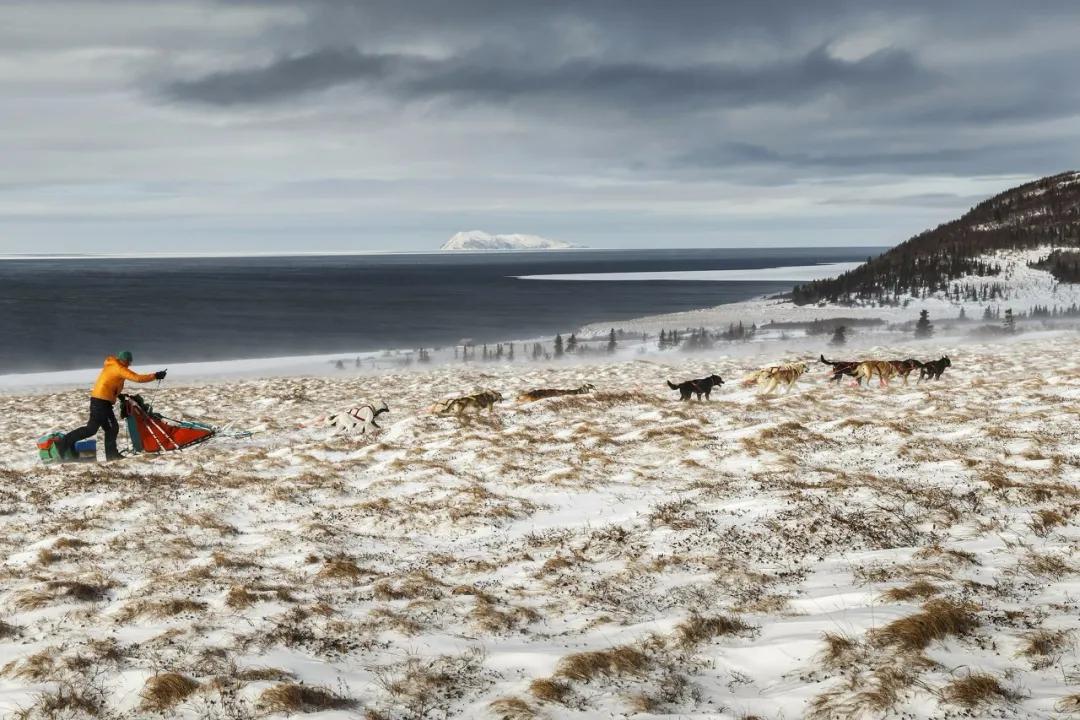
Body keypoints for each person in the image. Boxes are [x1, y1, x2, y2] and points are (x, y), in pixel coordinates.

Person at [58, 351, 166, 461]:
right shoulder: (118, 368)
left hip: (102, 401)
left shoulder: (112, 365)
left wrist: (119, 396)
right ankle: (64, 444)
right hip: (101, 402)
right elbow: (137, 378)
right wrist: (155, 376)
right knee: (93, 429)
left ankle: (111, 455)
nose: (129, 364)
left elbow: (110, 383)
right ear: (124, 360)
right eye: (129, 362)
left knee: (110, 428)